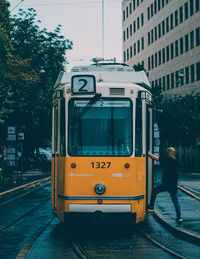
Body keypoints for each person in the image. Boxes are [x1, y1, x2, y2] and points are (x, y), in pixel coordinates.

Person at [148, 147, 183, 223]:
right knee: (176, 201)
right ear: (173, 153)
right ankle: (179, 217)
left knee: (154, 191)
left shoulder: (165, 159)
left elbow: (155, 158)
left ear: (168, 153)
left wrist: (147, 153)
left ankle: (151, 207)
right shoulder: (177, 162)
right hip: (174, 185)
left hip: (166, 184)